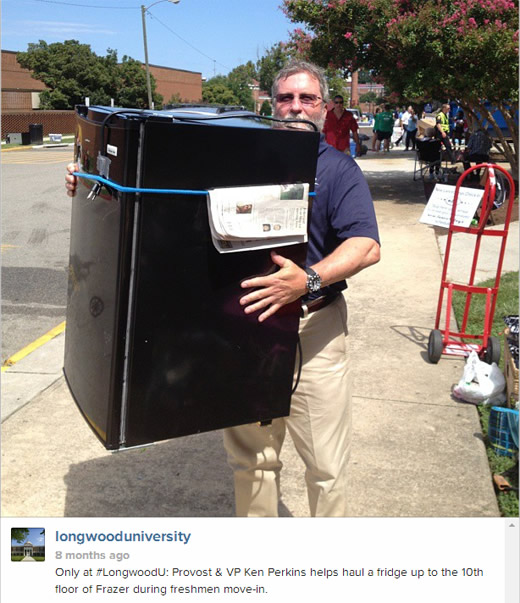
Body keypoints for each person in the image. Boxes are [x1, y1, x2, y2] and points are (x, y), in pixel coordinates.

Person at [66, 60, 381, 518]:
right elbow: (155, 193)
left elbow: (366, 244)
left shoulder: (337, 169)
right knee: (253, 461)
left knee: (326, 465)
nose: (295, 107)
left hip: (313, 333)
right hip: (246, 330)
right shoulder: (237, 159)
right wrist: (89, 180)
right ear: (271, 105)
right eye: (285, 98)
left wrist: (307, 280)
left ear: (324, 107)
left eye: (307, 98)